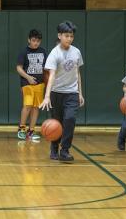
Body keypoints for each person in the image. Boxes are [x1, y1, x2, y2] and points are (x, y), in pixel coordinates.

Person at [39, 21, 84, 162]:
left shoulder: (76, 52)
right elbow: (51, 76)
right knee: (56, 122)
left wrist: (80, 93)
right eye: (66, 36)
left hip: (72, 93)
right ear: (59, 36)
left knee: (70, 119)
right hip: (56, 93)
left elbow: (77, 73)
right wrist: (47, 97)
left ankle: (65, 150)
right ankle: (54, 148)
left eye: (71, 36)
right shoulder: (54, 53)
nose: (69, 38)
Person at [16, 29, 48, 142]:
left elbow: (46, 69)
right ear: (29, 40)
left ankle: (31, 131)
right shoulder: (24, 52)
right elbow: (19, 68)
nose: (36, 43)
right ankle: (21, 129)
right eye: (34, 40)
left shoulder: (43, 52)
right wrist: (28, 77)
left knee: (35, 107)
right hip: (27, 84)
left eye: (38, 41)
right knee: (27, 106)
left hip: (40, 84)